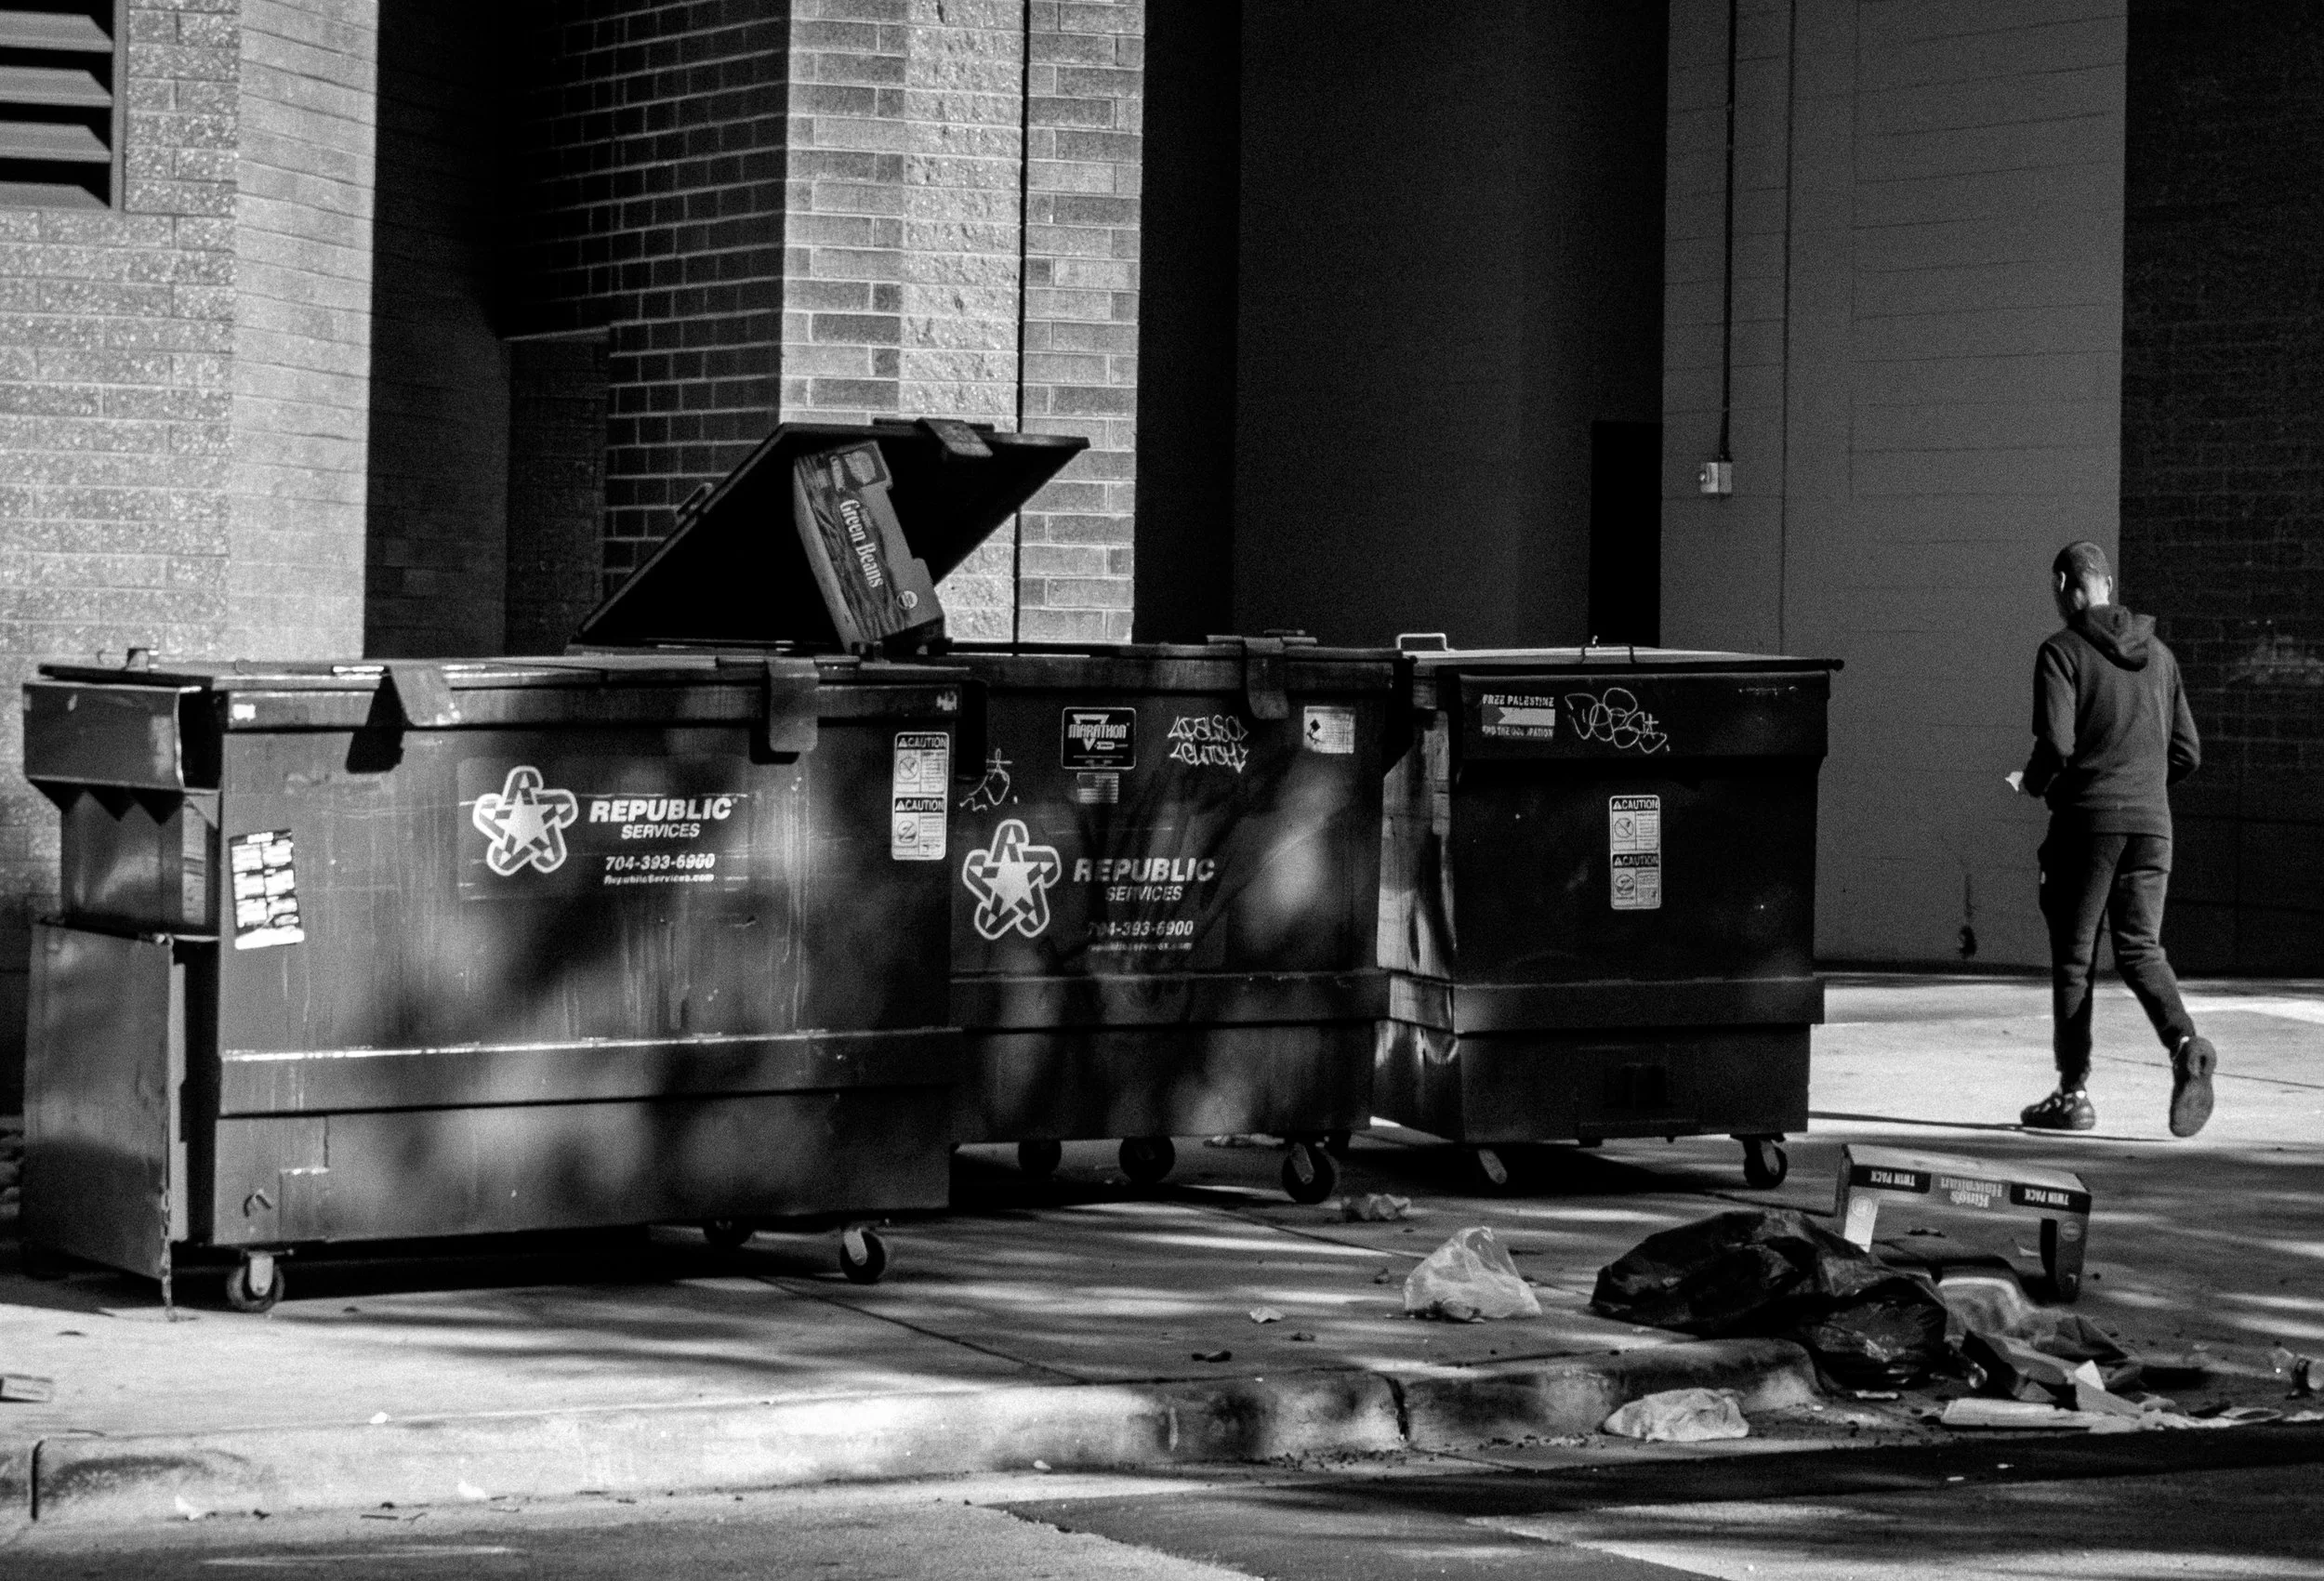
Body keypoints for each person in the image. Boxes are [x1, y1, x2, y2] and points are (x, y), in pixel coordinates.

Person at [2014, 540, 2215, 1137]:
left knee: (2076, 960)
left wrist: (2033, 785)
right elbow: (2188, 753)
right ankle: (2185, 1046)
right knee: (2140, 950)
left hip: (2088, 826)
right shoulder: (2161, 657)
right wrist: (2144, 786)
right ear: (2106, 583)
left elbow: (2058, 745)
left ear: (2064, 583)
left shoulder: (2061, 651)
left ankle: (2072, 1094)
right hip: (2153, 826)